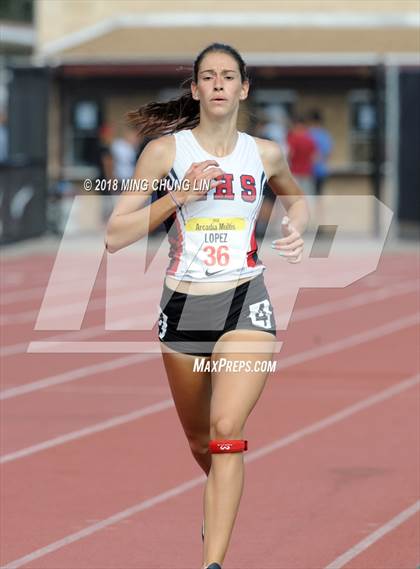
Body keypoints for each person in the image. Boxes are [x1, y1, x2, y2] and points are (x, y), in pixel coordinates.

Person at [106, 43, 309, 569]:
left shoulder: (264, 153)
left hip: (246, 300)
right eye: (208, 77)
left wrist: (297, 223)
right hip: (183, 307)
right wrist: (178, 197)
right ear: (195, 90)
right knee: (203, 442)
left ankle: (211, 563)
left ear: (244, 88)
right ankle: (218, 497)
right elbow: (114, 235)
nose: (218, 84)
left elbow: (295, 195)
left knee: (226, 429)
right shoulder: (165, 154)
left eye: (229, 76)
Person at [286, 113, 316, 197]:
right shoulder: (310, 138)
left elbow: (289, 154)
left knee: (294, 198)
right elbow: (315, 157)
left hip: (294, 172)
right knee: (308, 197)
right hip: (307, 172)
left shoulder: (292, 138)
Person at [307, 109, 333, 196]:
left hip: (308, 171)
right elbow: (328, 153)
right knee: (319, 195)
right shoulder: (325, 134)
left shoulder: (308, 134)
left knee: (308, 197)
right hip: (322, 170)